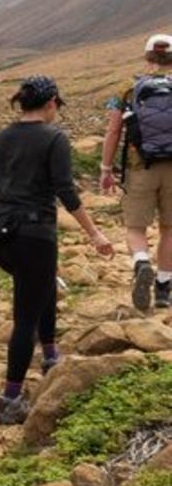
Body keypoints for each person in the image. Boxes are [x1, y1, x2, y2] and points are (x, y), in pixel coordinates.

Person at [0, 75, 114, 425]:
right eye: (58, 105)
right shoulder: (54, 138)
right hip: (35, 233)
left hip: (0, 234)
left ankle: (52, 356)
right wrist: (95, 234)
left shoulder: (0, 138)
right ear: (51, 103)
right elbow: (66, 192)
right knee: (26, 314)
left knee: (40, 288)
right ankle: (10, 400)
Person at [101, 33, 172, 311]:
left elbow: (113, 131)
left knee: (135, 227)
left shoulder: (127, 89)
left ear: (147, 57)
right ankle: (165, 290)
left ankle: (141, 262)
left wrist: (106, 168)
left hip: (138, 165)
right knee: (170, 229)